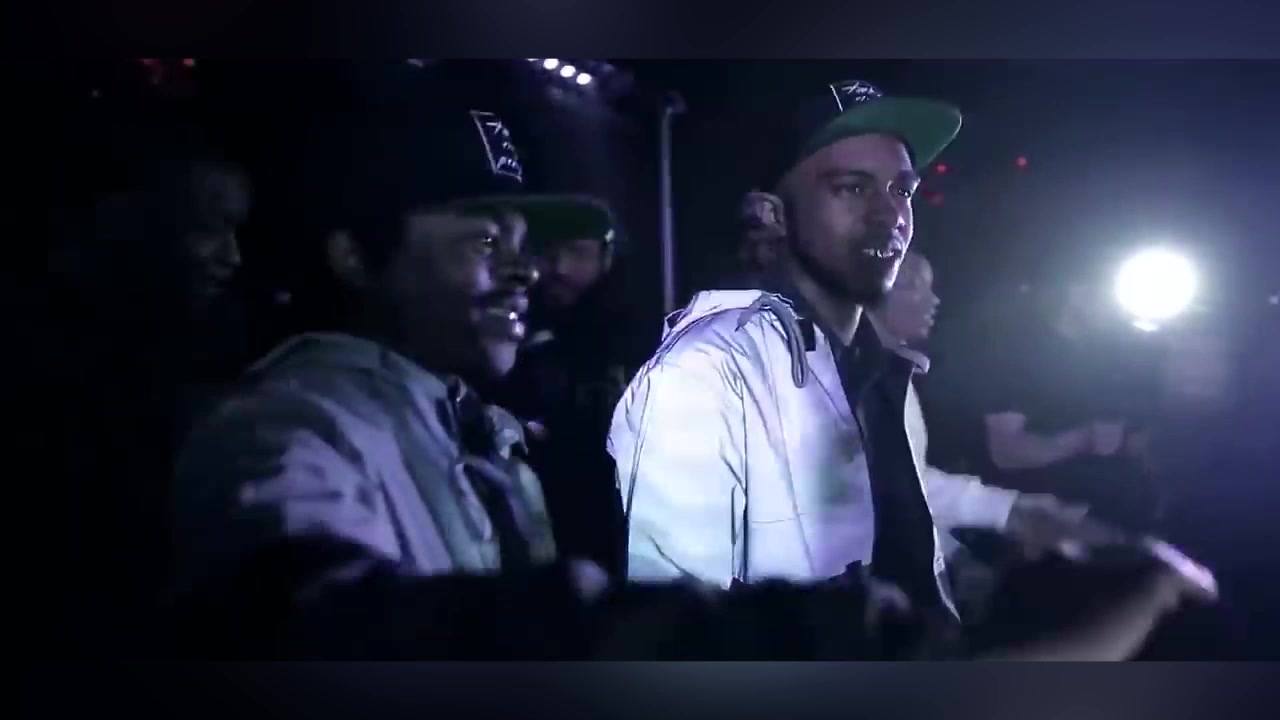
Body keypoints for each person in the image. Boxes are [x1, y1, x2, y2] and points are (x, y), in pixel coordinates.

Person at [167, 97, 1009, 660]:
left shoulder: (472, 428)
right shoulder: (284, 426)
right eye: (483, 241)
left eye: (523, 245)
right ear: (354, 255)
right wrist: (773, 633)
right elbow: (311, 623)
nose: (524, 270)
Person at [610, 80, 1211, 657]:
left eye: (901, 190)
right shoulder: (705, 375)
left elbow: (901, 495)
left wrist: (1027, 517)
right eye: (851, 188)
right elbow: (684, 633)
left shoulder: (877, 372)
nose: (888, 215)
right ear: (772, 215)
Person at [50, 140, 253, 651]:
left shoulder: (215, 343)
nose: (232, 256)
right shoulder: (50, 359)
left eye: (235, 231)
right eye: (207, 228)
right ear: (136, 221)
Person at [497, 212, 636, 579]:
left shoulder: (637, 340)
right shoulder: (504, 339)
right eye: (546, 252)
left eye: (576, 252)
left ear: (607, 256)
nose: (558, 267)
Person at [980, 279, 1166, 536]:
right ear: (1077, 292)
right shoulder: (1020, 354)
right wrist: (1084, 439)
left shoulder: (1119, 355)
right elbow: (1006, 451)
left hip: (1120, 516)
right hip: (1039, 519)